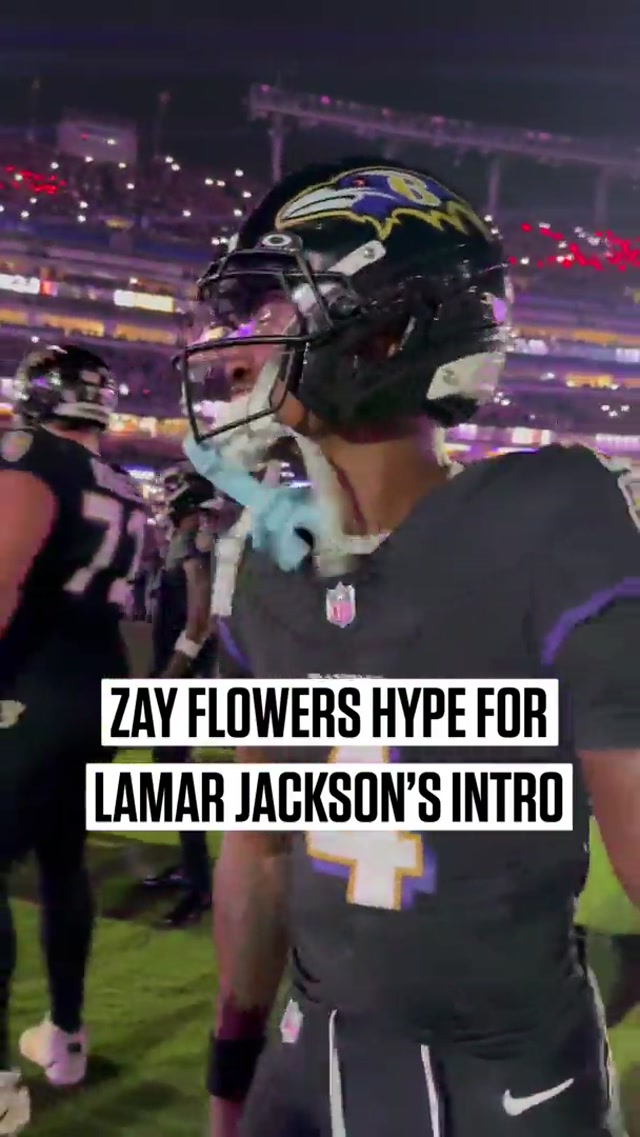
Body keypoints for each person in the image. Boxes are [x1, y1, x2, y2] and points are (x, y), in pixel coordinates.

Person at [180, 158, 640, 1137]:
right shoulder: (268, 558)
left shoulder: (546, 514)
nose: (232, 349)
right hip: (305, 1062)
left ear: (383, 330)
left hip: (506, 1087)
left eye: (271, 305)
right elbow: (260, 849)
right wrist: (232, 1070)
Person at [0, 343, 147, 1133]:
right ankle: (65, 1036)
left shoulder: (28, 455)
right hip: (104, 688)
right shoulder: (127, 487)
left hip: (34, 683)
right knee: (62, 861)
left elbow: (3, 573)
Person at [142, 464, 214, 927]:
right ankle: (192, 868)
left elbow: (199, 616)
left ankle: (200, 885)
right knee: (168, 767)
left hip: (181, 673)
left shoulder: (193, 542)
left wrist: (172, 672)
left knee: (174, 772)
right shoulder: (183, 539)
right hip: (177, 670)